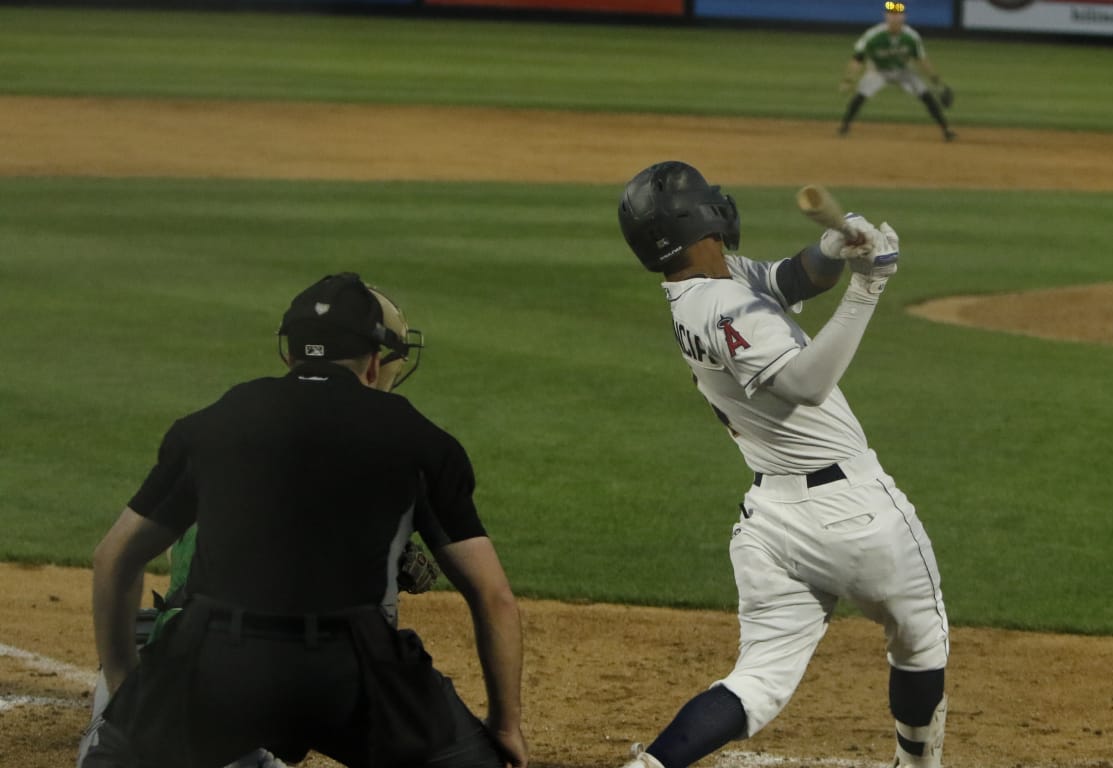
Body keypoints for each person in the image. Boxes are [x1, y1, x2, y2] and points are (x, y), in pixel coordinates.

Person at [82, 273, 528, 768]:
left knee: (115, 759)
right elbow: (493, 597)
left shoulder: (209, 424)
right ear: (375, 362)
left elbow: (114, 558)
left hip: (218, 665)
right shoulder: (420, 439)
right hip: (354, 672)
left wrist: (128, 690)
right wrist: (505, 726)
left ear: (287, 355)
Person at [614, 161, 950, 768]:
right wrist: (867, 287)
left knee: (757, 683)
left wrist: (832, 248)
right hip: (856, 514)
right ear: (700, 220)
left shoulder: (700, 284)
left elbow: (787, 279)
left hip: (772, 524)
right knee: (921, 641)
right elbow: (806, 383)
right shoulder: (723, 306)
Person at [838, 1, 956, 142]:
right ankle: (844, 126)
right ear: (885, 16)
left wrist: (935, 79)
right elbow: (857, 59)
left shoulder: (911, 37)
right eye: (891, 14)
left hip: (903, 71)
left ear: (904, 17)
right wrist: (849, 79)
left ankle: (946, 130)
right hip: (878, 71)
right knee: (860, 95)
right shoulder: (873, 35)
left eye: (898, 14)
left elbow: (922, 60)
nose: (894, 17)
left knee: (926, 95)